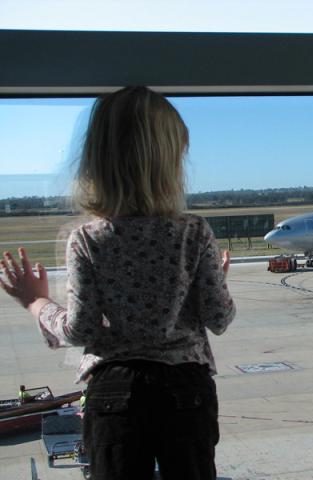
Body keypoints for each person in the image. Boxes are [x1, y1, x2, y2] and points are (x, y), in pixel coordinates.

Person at [0, 86, 235, 480]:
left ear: (96, 161)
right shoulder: (194, 232)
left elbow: (81, 329)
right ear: (169, 164)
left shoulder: (88, 238)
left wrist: (36, 303)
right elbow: (220, 318)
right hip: (185, 389)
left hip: (116, 391)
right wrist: (213, 287)